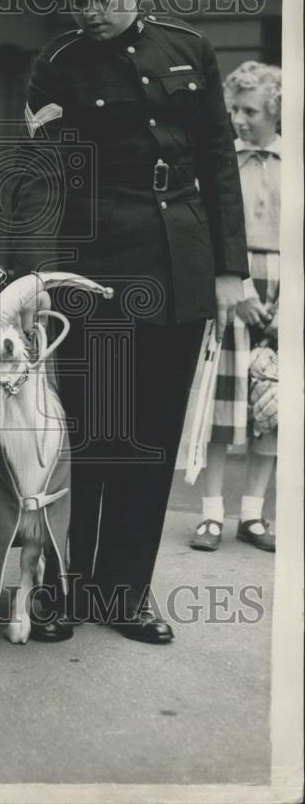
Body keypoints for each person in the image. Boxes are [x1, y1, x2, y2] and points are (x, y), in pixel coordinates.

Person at [12, 0, 248, 644]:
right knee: (93, 435)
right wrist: (36, 278)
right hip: (97, 270)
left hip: (179, 265)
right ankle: (64, 586)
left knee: (149, 437)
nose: (86, 7)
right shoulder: (56, 65)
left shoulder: (189, 48)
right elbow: (42, 181)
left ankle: (124, 593)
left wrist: (229, 271)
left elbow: (217, 163)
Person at [190, 62, 280, 553]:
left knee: (273, 405)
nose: (239, 120)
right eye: (234, 110)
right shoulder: (227, 164)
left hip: (285, 292)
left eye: (250, 111)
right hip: (235, 285)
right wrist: (238, 287)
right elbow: (211, 229)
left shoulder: (294, 162)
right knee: (224, 407)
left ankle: (253, 513)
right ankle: (210, 514)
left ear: (275, 110)